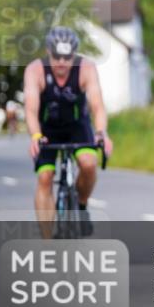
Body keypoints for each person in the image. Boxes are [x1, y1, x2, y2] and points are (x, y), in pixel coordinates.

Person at [24, 27, 113, 238]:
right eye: (56, 56)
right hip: (47, 129)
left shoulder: (86, 68)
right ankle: (47, 240)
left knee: (89, 164)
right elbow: (30, 109)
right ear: (48, 51)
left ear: (74, 54)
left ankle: (81, 207)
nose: (62, 62)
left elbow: (97, 106)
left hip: (77, 126)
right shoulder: (35, 70)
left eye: (67, 57)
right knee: (45, 177)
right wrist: (36, 135)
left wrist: (101, 132)